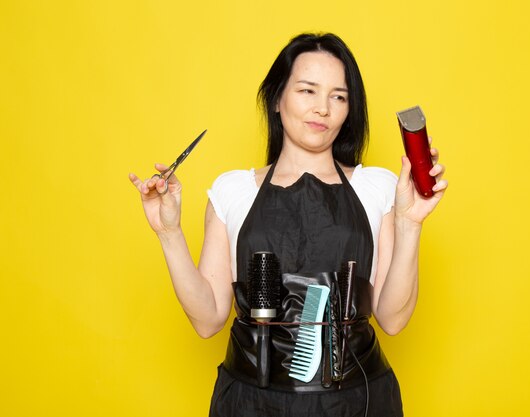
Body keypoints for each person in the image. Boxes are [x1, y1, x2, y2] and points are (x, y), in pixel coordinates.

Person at [129, 32, 447, 417]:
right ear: (277, 99)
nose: (323, 109)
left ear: (350, 110)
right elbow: (208, 319)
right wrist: (168, 233)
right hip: (251, 404)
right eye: (307, 91)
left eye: (338, 96)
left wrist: (409, 222)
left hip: (357, 404)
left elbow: (393, 319)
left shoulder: (375, 188)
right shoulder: (233, 191)